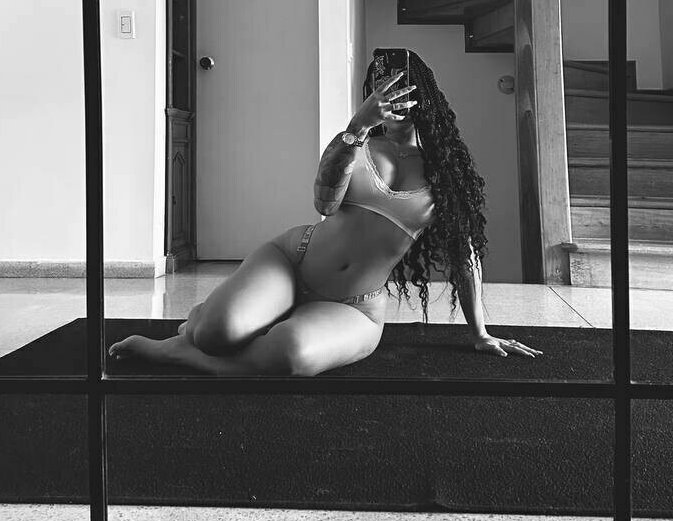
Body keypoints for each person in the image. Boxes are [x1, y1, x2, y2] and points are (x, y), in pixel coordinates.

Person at [109, 49, 542, 375]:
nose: (390, 98)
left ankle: (178, 353)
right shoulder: (356, 144)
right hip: (291, 262)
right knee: (213, 333)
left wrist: (480, 333)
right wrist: (356, 128)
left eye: (400, 89)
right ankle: (207, 326)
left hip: (355, 306)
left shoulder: (444, 170)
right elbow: (324, 204)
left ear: (422, 96)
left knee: (292, 355)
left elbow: (465, 255)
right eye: (380, 88)